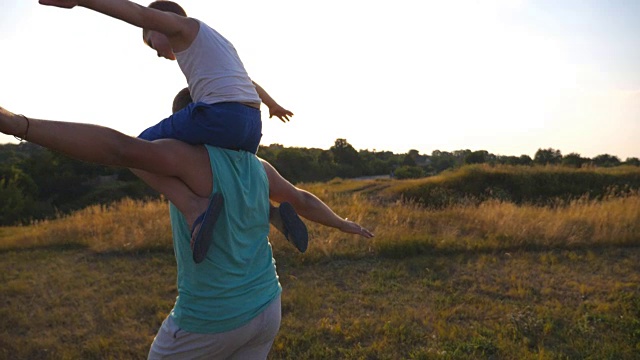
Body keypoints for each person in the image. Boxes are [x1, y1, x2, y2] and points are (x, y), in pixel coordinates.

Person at [0, 105, 373, 358]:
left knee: (136, 155)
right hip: (266, 305)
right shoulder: (259, 166)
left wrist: (21, 126)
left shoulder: (185, 158)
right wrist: (342, 223)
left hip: (211, 318)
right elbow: (302, 198)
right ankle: (269, 213)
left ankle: (256, 213)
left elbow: (116, 148)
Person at [39, 0, 301, 262]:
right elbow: (249, 82)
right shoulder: (218, 43)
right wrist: (272, 105)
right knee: (229, 170)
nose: (156, 53)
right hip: (251, 124)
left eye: (151, 42)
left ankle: (192, 208)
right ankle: (271, 213)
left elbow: (139, 13)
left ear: (159, 22)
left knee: (137, 149)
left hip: (220, 115)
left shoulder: (184, 27)